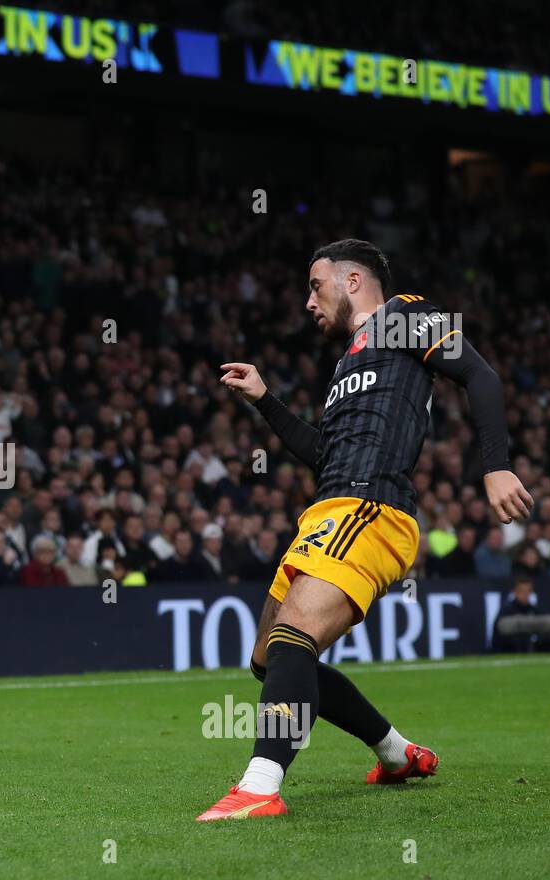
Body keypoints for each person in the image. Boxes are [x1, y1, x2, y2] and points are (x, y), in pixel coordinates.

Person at [202, 238, 532, 821]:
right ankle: (397, 753)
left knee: (292, 638)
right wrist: (266, 401)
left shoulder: (405, 315)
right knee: (269, 660)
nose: (308, 301)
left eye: (314, 284)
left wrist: (496, 465)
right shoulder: (350, 359)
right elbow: (325, 453)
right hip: (330, 508)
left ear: (353, 281)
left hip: (373, 509)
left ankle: (258, 788)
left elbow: (481, 377)